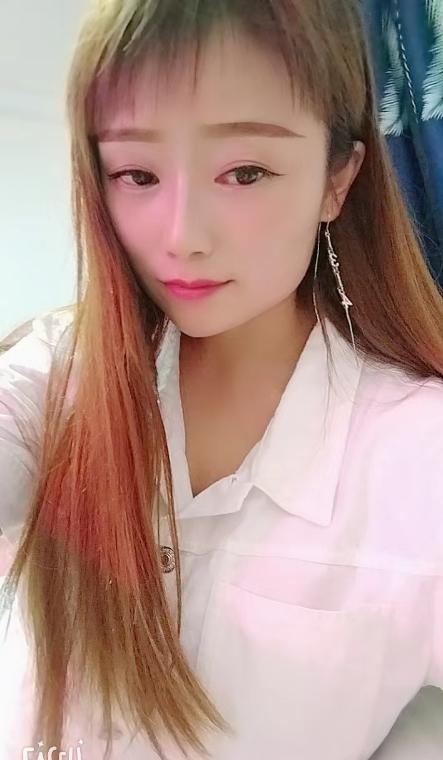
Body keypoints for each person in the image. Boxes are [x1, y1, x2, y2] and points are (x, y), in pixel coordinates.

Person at [1, 1, 443, 758]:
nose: (182, 237)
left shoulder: (418, 453)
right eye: (137, 174)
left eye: (246, 172)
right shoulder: (57, 371)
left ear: (338, 179)